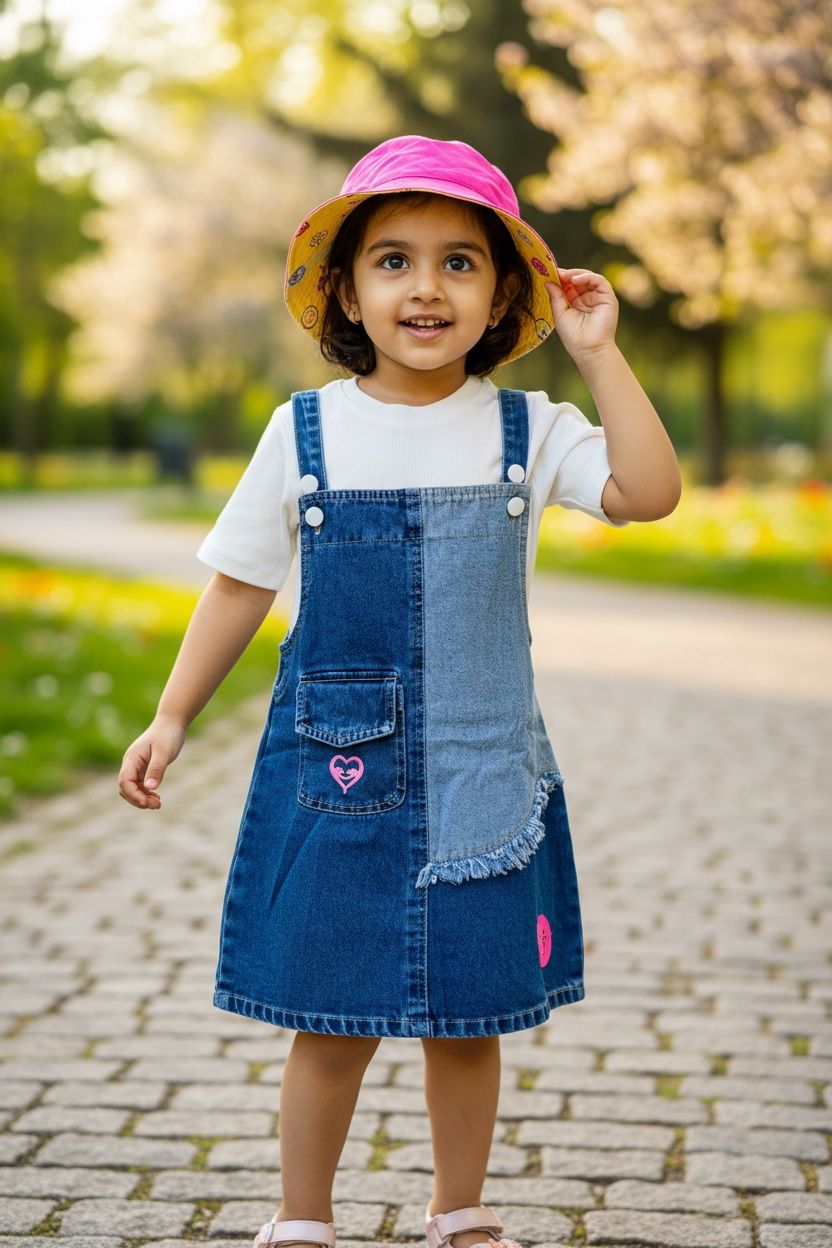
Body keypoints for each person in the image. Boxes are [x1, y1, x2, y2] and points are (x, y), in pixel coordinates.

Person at [118, 136, 681, 1248]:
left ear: (502, 293)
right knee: (329, 1019)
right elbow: (238, 585)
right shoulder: (306, 431)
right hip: (337, 773)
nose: (426, 287)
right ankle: (301, 1216)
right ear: (347, 289)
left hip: (480, 772)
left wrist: (599, 356)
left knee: (468, 1019)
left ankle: (459, 1207)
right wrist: (172, 715)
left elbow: (649, 492)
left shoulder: (527, 430)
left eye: (460, 263)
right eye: (393, 261)